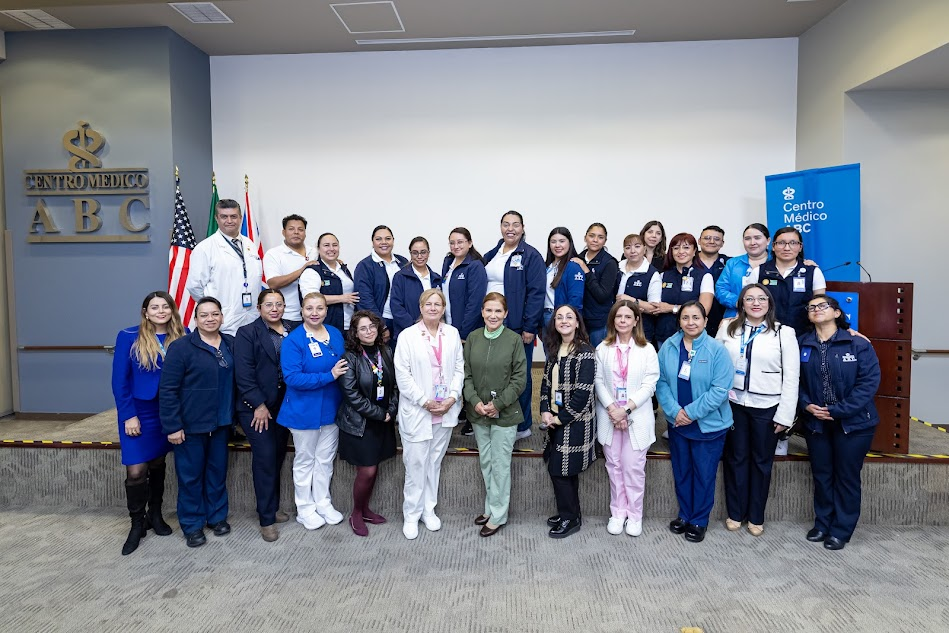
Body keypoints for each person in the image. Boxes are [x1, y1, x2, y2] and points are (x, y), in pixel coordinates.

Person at [798, 295, 881, 551]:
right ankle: (823, 523)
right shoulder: (803, 343)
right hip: (817, 422)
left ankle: (841, 529)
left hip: (854, 423)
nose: (816, 310)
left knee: (846, 476)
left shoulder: (857, 343)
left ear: (836, 313)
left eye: (823, 306)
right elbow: (794, 380)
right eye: (812, 308)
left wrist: (838, 410)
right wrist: (805, 405)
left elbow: (869, 383)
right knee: (822, 475)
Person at [716, 284, 799, 537]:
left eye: (761, 298)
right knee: (735, 459)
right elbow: (717, 366)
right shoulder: (727, 327)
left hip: (767, 406)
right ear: (741, 303)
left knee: (762, 462)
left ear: (769, 303)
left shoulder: (784, 333)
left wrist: (785, 415)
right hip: (733, 405)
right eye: (749, 298)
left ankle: (756, 516)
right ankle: (735, 512)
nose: (755, 303)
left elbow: (792, 377)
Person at [111, 291, 185, 555]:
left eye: (165, 307)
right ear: (145, 311)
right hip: (139, 412)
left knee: (157, 463)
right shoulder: (128, 336)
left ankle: (155, 514)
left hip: (167, 411)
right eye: (154, 307)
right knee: (136, 471)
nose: (161, 311)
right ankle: (136, 523)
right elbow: (119, 381)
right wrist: (128, 415)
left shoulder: (182, 334)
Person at [159, 297, 235, 548]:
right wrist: (173, 425)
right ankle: (192, 524)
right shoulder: (181, 348)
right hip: (189, 427)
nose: (210, 319)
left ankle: (216, 517)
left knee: (216, 474)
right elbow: (168, 389)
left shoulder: (231, 344)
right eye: (204, 315)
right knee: (190, 477)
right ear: (195, 319)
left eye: (215, 314)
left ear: (222, 317)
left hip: (222, 424)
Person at [656, 301, 733, 543]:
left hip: (707, 425)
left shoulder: (716, 350)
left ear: (705, 321)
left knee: (703, 474)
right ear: (679, 321)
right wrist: (673, 411)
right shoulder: (668, 346)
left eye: (696, 318)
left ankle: (699, 519)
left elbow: (720, 389)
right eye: (686, 317)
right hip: (677, 423)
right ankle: (685, 514)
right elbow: (660, 382)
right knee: (682, 472)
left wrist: (689, 412)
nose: (691, 322)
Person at [394, 289, 464, 540]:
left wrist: (452, 397)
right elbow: (403, 375)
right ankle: (411, 514)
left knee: (434, 463)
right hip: (418, 410)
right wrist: (424, 401)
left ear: (443, 308)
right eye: (428, 304)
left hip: (444, 410)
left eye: (438, 304)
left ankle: (428, 510)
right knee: (415, 465)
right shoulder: (407, 336)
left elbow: (458, 368)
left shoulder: (452, 333)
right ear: (421, 307)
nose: (433, 308)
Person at [277, 292, 348, 531]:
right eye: (309, 308)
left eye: (319, 308)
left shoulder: (335, 334)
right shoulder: (294, 341)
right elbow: (293, 377)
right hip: (303, 410)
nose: (315, 313)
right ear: (301, 311)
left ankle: (323, 502)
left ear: (326, 310)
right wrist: (329, 376)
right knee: (305, 460)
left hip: (331, 408)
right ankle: (305, 508)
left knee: (325, 459)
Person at [463, 293, 527, 537]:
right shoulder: (473, 338)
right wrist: (476, 402)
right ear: (482, 312)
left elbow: (520, 378)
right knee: (486, 462)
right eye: (488, 310)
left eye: (498, 311)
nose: (493, 315)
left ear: (506, 314)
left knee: (500, 465)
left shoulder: (513, 340)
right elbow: (466, 375)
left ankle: (498, 515)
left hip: (505, 413)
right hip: (478, 412)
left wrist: (498, 404)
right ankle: (491, 507)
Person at [593, 300, 659, 537]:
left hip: (636, 417)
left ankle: (634, 515)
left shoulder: (647, 349)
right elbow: (598, 381)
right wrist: (613, 408)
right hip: (609, 417)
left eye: (628, 317)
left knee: (633, 468)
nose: (623, 321)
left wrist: (626, 409)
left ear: (636, 321)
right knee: (614, 466)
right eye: (618, 316)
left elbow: (650, 384)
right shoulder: (602, 348)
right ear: (613, 320)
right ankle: (618, 512)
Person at [234, 289, 293, 542]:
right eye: (269, 304)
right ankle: (266, 519)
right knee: (265, 458)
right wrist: (258, 404)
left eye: (279, 304)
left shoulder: (294, 328)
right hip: (256, 409)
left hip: (285, 405)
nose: (274, 308)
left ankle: (272, 507)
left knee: (278, 456)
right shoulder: (247, 333)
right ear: (259, 308)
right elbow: (244, 374)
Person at [483, 211, 545, 441]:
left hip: (517, 325)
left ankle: (523, 425)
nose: (510, 229)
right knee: (496, 374)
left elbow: (537, 293)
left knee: (520, 377)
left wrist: (529, 326)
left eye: (515, 225)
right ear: (500, 227)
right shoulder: (495, 252)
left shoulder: (530, 255)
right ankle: (499, 417)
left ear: (522, 227)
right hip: (491, 322)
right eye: (506, 224)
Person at [336, 310, 399, 537]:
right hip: (360, 423)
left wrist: (391, 409)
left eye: (372, 326)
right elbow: (351, 395)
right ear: (355, 333)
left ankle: (365, 510)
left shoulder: (386, 351)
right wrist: (379, 414)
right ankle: (356, 513)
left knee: (374, 469)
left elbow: (393, 386)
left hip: (382, 420)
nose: (369, 331)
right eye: (363, 328)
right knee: (368, 471)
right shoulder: (349, 357)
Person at [539, 304, 596, 539]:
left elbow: (582, 393)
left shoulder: (585, 352)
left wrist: (558, 419)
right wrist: (544, 410)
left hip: (575, 421)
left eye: (569, 317)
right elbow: (545, 383)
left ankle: (570, 519)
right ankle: (570, 513)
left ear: (577, 322)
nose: (563, 320)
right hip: (554, 418)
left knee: (561, 470)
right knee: (562, 468)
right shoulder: (554, 349)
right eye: (559, 317)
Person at [186, 199, 264, 335]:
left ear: (240, 218)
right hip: (225, 322)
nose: (229, 221)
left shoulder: (249, 244)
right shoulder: (205, 248)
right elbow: (195, 287)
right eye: (224, 217)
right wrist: (215, 309)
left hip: (252, 318)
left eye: (233, 216)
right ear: (217, 218)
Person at [650, 233, 714, 349]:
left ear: (695, 251)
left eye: (686, 247)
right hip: (664, 335)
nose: (680, 251)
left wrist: (671, 308)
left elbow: (703, 309)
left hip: (692, 336)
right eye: (676, 248)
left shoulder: (705, 276)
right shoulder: (662, 276)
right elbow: (655, 306)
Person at [759, 226, 827, 335]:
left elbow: (821, 306)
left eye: (793, 243)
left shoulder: (813, 272)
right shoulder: (759, 271)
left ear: (800, 247)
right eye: (781, 243)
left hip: (803, 333)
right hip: (766, 333)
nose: (787, 248)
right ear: (773, 246)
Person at [354, 225, 408, 341]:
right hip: (382, 321)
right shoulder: (365, 266)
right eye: (378, 239)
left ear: (393, 240)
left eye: (388, 238)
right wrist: (380, 326)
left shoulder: (403, 262)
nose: (384, 242)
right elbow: (365, 299)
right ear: (372, 242)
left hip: (403, 320)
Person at [262, 214, 315, 328]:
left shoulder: (315, 252)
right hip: (288, 317)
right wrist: (302, 270)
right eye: (291, 229)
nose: (296, 232)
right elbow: (273, 283)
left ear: (305, 233)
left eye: (300, 229)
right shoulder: (274, 254)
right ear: (283, 232)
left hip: (314, 315)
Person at [299, 232, 358, 333]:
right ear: (318, 248)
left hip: (349, 326)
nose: (331, 249)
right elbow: (309, 298)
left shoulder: (343, 269)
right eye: (326, 245)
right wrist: (342, 298)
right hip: (326, 326)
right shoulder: (312, 271)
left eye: (334, 245)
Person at [572, 223, 619, 348]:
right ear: (585, 237)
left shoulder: (609, 262)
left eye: (600, 237)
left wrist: (586, 270)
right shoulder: (577, 258)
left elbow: (602, 295)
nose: (595, 240)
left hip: (599, 322)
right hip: (579, 320)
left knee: (598, 361)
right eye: (592, 236)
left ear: (605, 241)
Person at [715, 223, 771, 320]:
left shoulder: (776, 263)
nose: (752, 242)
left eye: (757, 238)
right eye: (747, 238)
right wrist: (741, 302)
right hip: (735, 317)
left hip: (769, 319)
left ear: (768, 241)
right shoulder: (732, 263)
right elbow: (721, 289)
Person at [441, 227, 488, 341]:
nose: (456, 246)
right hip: (448, 328)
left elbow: (475, 303)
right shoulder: (448, 263)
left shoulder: (475, 266)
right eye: (452, 243)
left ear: (470, 243)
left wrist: (464, 332)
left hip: (466, 332)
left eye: (460, 242)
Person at [391, 237, 442, 341]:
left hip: (433, 333)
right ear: (410, 254)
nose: (419, 256)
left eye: (423, 252)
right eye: (415, 253)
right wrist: (416, 328)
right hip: (409, 333)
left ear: (428, 253)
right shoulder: (400, 277)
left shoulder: (436, 278)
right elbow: (396, 307)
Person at [615, 233, 661, 346]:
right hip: (615, 327)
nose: (632, 251)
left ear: (644, 249)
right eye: (628, 247)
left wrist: (633, 301)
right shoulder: (616, 267)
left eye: (637, 246)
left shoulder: (652, 274)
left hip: (641, 330)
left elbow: (654, 308)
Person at [542, 227, 585, 330]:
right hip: (545, 317)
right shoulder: (547, 266)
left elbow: (575, 299)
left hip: (562, 319)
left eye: (562, 241)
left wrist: (566, 319)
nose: (557, 245)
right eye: (553, 242)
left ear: (569, 243)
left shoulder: (573, 266)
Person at [696, 225, 730, 338]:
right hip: (693, 323)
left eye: (716, 239)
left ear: (722, 243)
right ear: (699, 241)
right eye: (707, 238)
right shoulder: (687, 262)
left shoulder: (730, 264)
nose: (711, 242)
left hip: (724, 323)